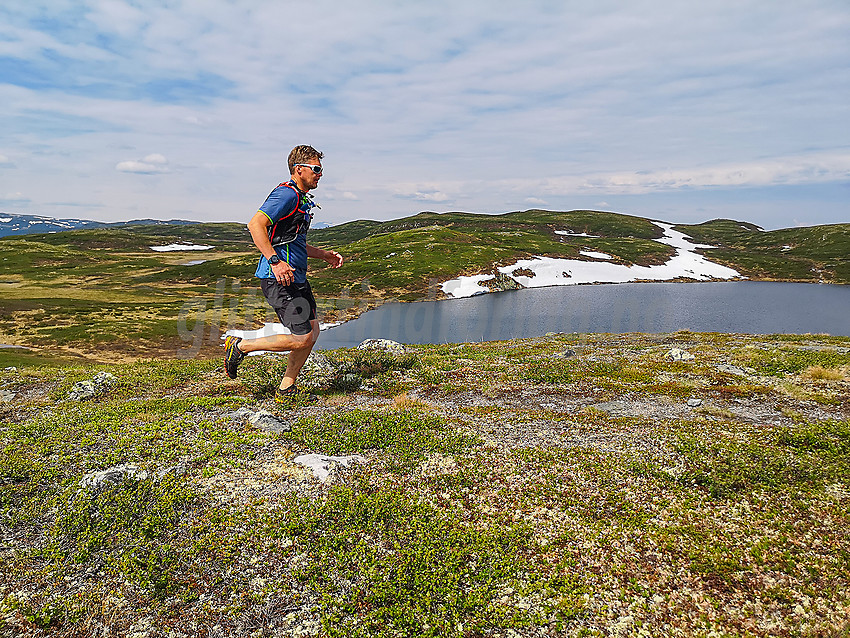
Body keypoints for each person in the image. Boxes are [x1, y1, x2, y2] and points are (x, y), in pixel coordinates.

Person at [223, 145, 343, 404]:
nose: (320, 174)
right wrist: (275, 262)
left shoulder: (302, 199)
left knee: (312, 332)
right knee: (301, 338)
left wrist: (325, 255)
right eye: (316, 169)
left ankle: (286, 387)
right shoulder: (286, 195)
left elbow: (295, 241)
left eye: (321, 169)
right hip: (278, 278)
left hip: (296, 277)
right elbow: (255, 224)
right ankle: (240, 346)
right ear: (299, 170)